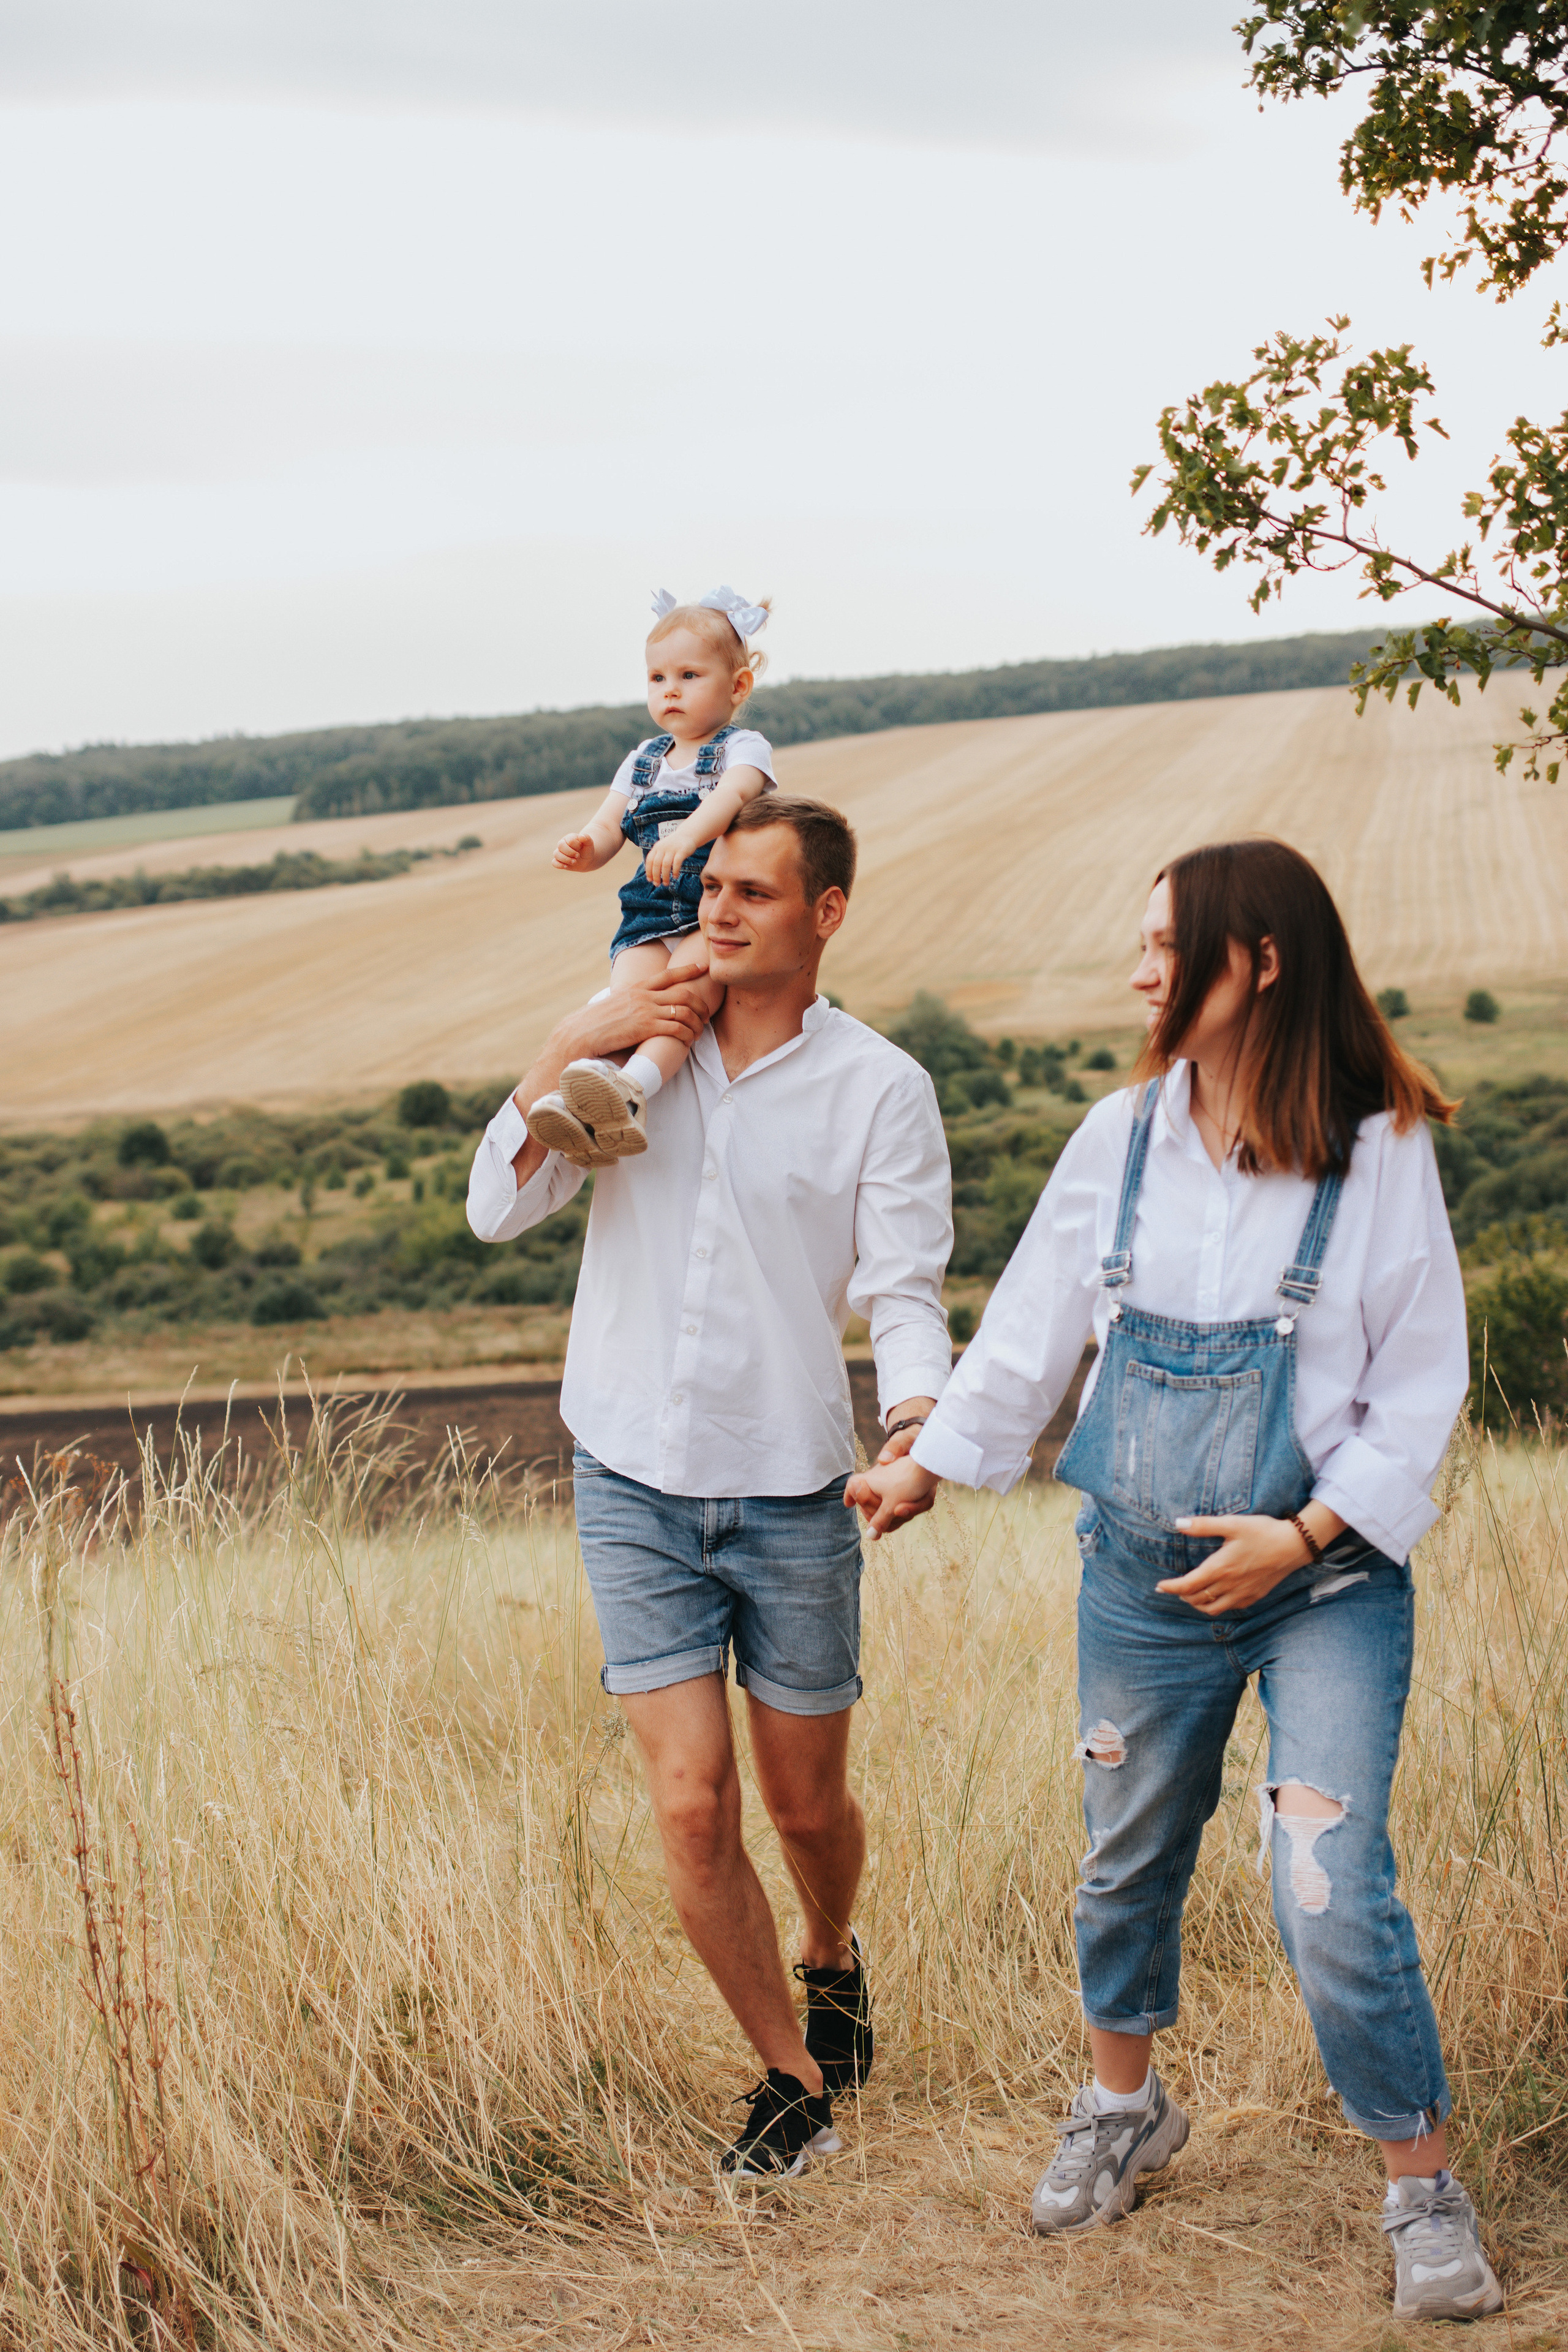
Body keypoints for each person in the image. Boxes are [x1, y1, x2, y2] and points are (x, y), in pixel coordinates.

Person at [846, 838, 1502, 2324]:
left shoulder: (1379, 1148)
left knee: (1323, 1876)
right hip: (1138, 1575)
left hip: (1322, 1578)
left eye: (1164, 944)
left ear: (1255, 960)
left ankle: (1418, 2186)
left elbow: (1418, 1386)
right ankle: (1121, 2108)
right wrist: (925, 1464)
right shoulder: (1120, 1135)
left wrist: (1305, 1534)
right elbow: (1030, 1324)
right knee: (1125, 1855)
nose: (1138, 972)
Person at [467, 794, 954, 2177]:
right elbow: (496, 1209)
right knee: (691, 1804)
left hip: (794, 1488)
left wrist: (915, 1423)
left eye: (752, 891)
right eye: (709, 888)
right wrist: (575, 1040)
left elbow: (903, 1290)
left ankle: (828, 1950)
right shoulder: (632, 1051)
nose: (717, 911)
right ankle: (790, 2084)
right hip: (629, 1474)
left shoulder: (879, 1088)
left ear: (826, 914)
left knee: (805, 1809)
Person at [526, 586, 777, 1167]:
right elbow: (609, 826)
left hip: (713, 908)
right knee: (629, 1001)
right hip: (648, 909)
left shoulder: (743, 748)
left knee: (681, 1002)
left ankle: (633, 1090)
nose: (670, 690)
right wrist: (586, 848)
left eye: (689, 675)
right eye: (657, 678)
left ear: (738, 686)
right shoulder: (643, 760)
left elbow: (734, 797)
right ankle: (592, 1099)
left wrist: (688, 836)